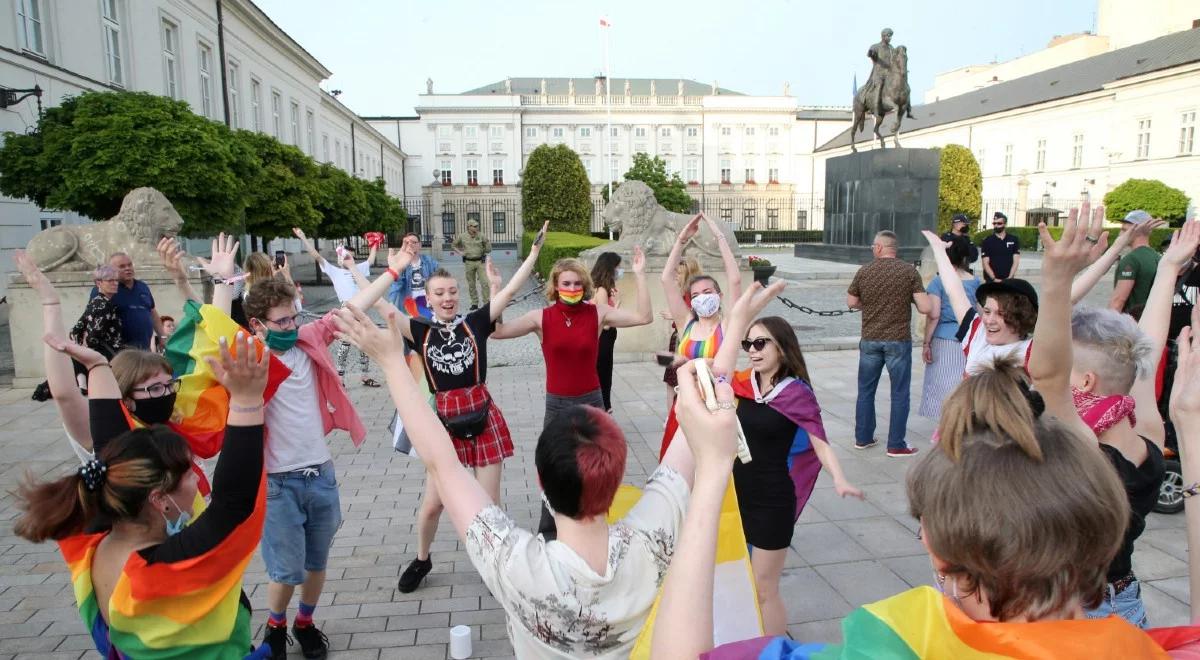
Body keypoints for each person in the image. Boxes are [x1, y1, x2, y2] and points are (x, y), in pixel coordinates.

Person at [650, 212, 1200, 659]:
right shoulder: (1127, 457)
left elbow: (682, 653)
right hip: (1115, 610)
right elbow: (1137, 362)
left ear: (935, 550)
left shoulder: (896, 645)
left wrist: (709, 473)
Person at [328, 280, 785, 659]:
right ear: (616, 479)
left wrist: (391, 362)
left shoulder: (515, 563)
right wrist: (735, 329)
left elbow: (441, 461)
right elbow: (702, 411)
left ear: (542, 485)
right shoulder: (653, 533)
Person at [13, 331, 273, 659]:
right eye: (189, 475)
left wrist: (98, 368)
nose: (197, 482)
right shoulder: (171, 567)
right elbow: (233, 502)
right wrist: (248, 401)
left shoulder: (91, 540)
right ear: (159, 499)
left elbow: (114, 447)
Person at [244, 249, 404, 659]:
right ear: (256, 325)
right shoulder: (250, 361)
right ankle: (275, 627)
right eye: (281, 321)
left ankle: (305, 622)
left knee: (316, 562)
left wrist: (395, 269)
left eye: (293, 316)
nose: (291, 326)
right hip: (278, 482)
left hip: (319, 473)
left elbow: (353, 307)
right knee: (284, 569)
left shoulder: (308, 339)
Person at [377, 225, 545, 594]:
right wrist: (383, 269)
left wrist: (532, 256)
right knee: (433, 505)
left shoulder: (475, 322)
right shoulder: (419, 331)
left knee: (490, 505)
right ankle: (422, 559)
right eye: (440, 293)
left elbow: (513, 290)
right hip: (444, 422)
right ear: (429, 297)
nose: (448, 297)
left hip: (483, 414)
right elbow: (380, 305)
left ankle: (495, 562)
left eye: (452, 291)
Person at [710, 312, 862, 636]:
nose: (752, 350)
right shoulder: (740, 385)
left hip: (772, 501)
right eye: (748, 343)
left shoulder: (797, 394)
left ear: (781, 346)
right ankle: (747, 639)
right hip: (737, 496)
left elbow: (820, 442)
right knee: (741, 581)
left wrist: (839, 478)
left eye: (761, 343)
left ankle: (773, 650)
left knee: (765, 589)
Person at [658, 213, 743, 457]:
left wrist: (719, 237)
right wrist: (681, 240)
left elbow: (735, 280)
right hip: (684, 407)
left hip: (716, 409)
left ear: (719, 296)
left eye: (708, 291)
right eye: (695, 295)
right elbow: (666, 279)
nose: (701, 297)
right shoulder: (685, 322)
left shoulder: (727, 326)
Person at [847, 230, 932, 456]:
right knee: (900, 393)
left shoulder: (865, 271)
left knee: (865, 391)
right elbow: (925, 307)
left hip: (870, 340)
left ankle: (863, 438)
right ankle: (896, 444)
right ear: (894, 249)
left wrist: (872, 305)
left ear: (878, 248)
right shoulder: (908, 272)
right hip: (898, 341)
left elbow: (851, 301)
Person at [293, 227, 381, 387]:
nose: (347, 258)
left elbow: (371, 259)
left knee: (364, 343)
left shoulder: (358, 269)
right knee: (345, 344)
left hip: (361, 308)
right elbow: (316, 255)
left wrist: (375, 243)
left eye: (349, 256)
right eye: (344, 256)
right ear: (339, 259)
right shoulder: (334, 271)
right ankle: (340, 377)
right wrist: (303, 237)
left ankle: (365, 375)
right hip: (346, 308)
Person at [919, 234, 981, 419]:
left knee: (942, 385)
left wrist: (926, 342)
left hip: (944, 338)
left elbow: (934, 315)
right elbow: (979, 311)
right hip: (969, 337)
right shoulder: (975, 281)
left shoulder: (938, 282)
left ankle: (945, 424)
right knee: (964, 384)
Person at [91, 251, 164, 350]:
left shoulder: (143, 287)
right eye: (122, 266)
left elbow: (152, 312)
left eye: (130, 265)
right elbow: (94, 317)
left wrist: (162, 336)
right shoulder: (105, 289)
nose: (127, 268)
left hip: (144, 350)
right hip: (117, 352)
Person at [661, 255, 703, 398]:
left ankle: (672, 417)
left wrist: (675, 315)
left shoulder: (693, 294)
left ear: (688, 274)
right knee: (673, 380)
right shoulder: (686, 292)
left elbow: (698, 316)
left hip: (684, 338)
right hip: (681, 337)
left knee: (675, 381)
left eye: (679, 273)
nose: (676, 277)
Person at [1110, 210, 1162, 318]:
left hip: (1131, 325)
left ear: (1137, 231)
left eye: (1124, 230)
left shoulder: (1131, 260)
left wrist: (1106, 327)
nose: (1120, 234)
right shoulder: (1158, 257)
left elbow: (1118, 301)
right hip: (1152, 321)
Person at [71, 264, 125, 362]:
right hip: (104, 358)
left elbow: (76, 329)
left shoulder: (96, 301)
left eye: (116, 280)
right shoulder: (104, 306)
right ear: (98, 283)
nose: (115, 283)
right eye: (110, 280)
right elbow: (92, 338)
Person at [591, 251, 623, 413]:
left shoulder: (599, 287)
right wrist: (616, 306)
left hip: (605, 339)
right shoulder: (602, 290)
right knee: (603, 373)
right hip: (603, 338)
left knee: (603, 372)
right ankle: (603, 408)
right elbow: (605, 323)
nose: (620, 271)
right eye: (618, 267)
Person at [452, 218, 492, 310]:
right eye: (474, 226)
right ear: (469, 227)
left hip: (480, 262)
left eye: (477, 226)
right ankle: (474, 303)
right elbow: (453, 245)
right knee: (471, 284)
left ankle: (486, 303)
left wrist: (487, 243)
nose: (476, 228)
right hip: (468, 262)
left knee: (485, 282)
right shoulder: (462, 236)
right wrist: (460, 252)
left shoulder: (481, 235)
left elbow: (488, 250)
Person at [980, 211, 1020, 281]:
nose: (996, 225)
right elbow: (985, 263)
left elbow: (1016, 261)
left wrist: (1010, 277)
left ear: (1005, 224)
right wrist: (994, 279)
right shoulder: (987, 241)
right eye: (994, 223)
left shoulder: (1013, 239)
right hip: (991, 280)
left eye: (999, 223)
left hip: (1008, 280)